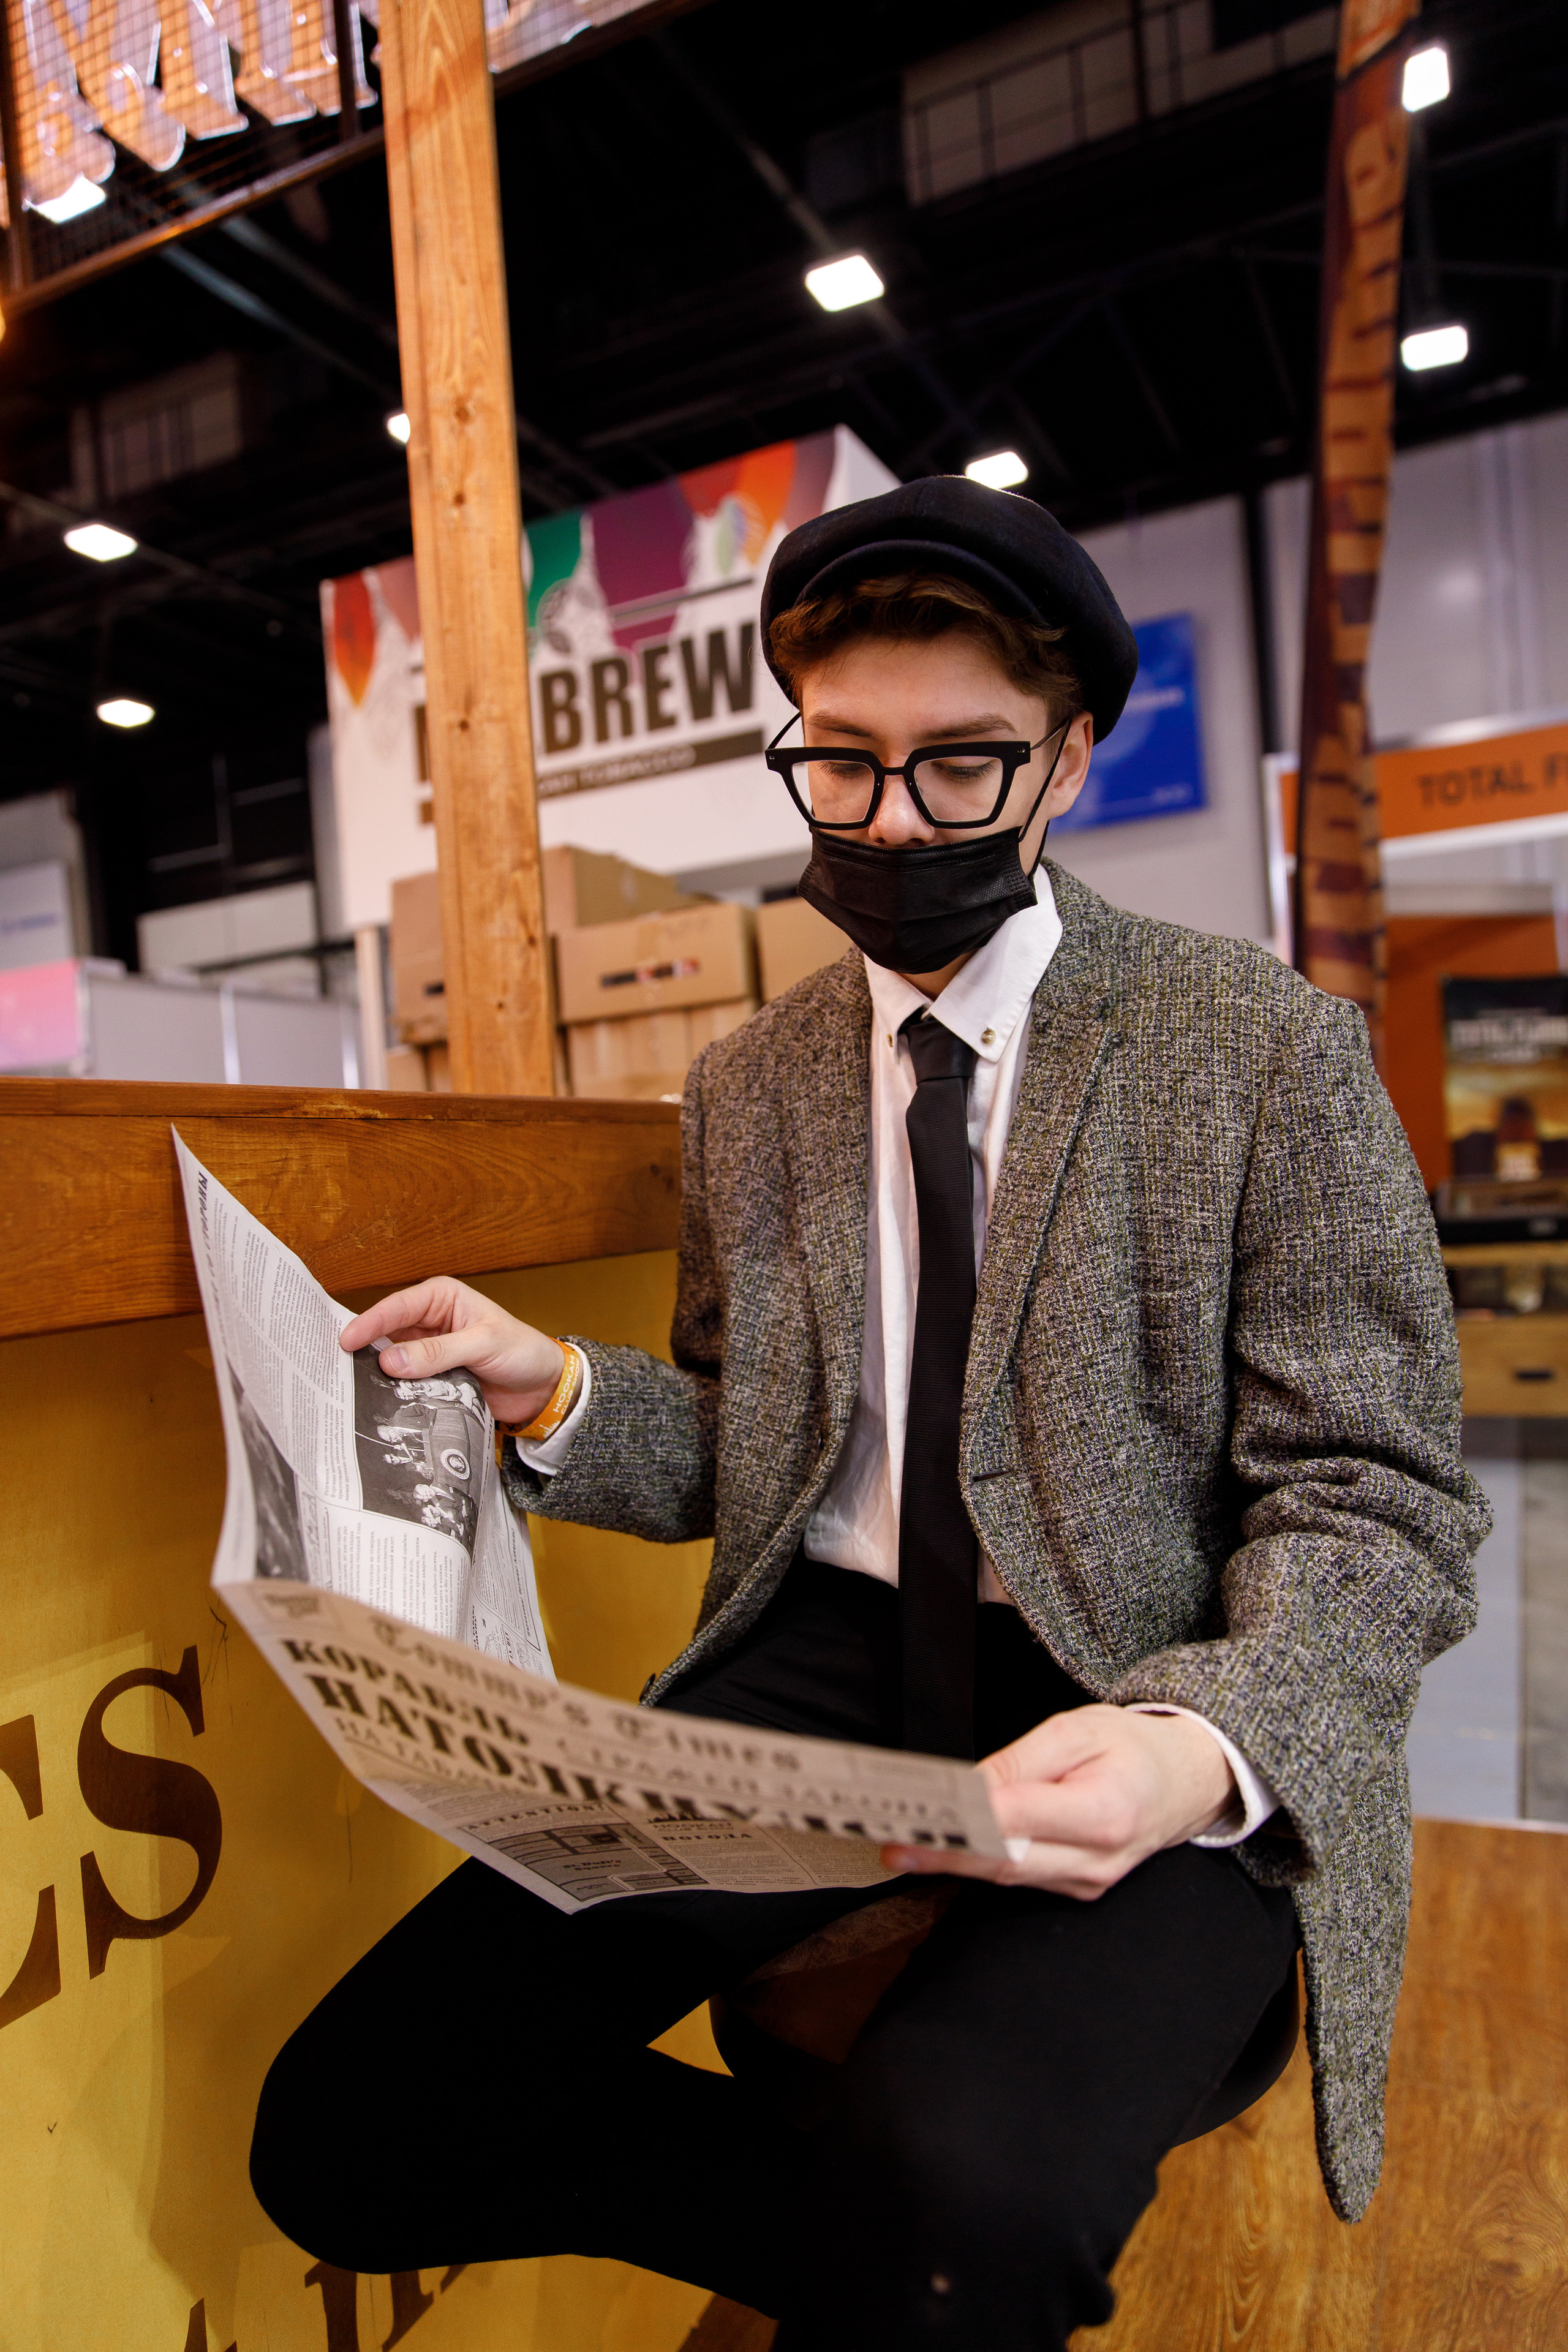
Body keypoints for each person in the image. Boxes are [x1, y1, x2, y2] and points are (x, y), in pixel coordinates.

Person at [249, 478, 1487, 2350]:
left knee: (965, 2180)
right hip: (811, 1688)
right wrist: (557, 1391)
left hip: (1153, 1677)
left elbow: (1380, 1499)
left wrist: (1194, 1747)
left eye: (962, 767)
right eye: (845, 763)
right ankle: (924, 2295)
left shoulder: (1258, 1049)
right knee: (347, 2136)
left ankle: (940, 2277)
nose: (895, 818)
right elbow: (760, 1448)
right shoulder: (754, 1083)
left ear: (1067, 763)